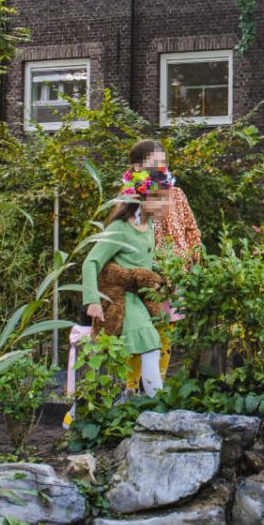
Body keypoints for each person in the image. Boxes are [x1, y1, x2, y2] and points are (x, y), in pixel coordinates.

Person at [81, 169, 171, 395]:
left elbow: (145, 262)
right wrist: (92, 302)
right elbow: (90, 262)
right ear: (143, 198)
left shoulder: (148, 226)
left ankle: (75, 416)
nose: (164, 204)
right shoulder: (120, 229)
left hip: (137, 300)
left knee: (109, 364)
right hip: (121, 301)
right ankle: (157, 408)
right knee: (150, 347)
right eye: (159, 198)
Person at [125, 139, 200, 387]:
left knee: (165, 333)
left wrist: (189, 258)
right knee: (141, 335)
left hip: (173, 275)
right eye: (154, 164)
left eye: (163, 163)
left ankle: (156, 392)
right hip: (143, 276)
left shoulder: (176, 195)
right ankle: (132, 389)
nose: (161, 168)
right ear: (137, 168)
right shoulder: (129, 197)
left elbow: (191, 229)